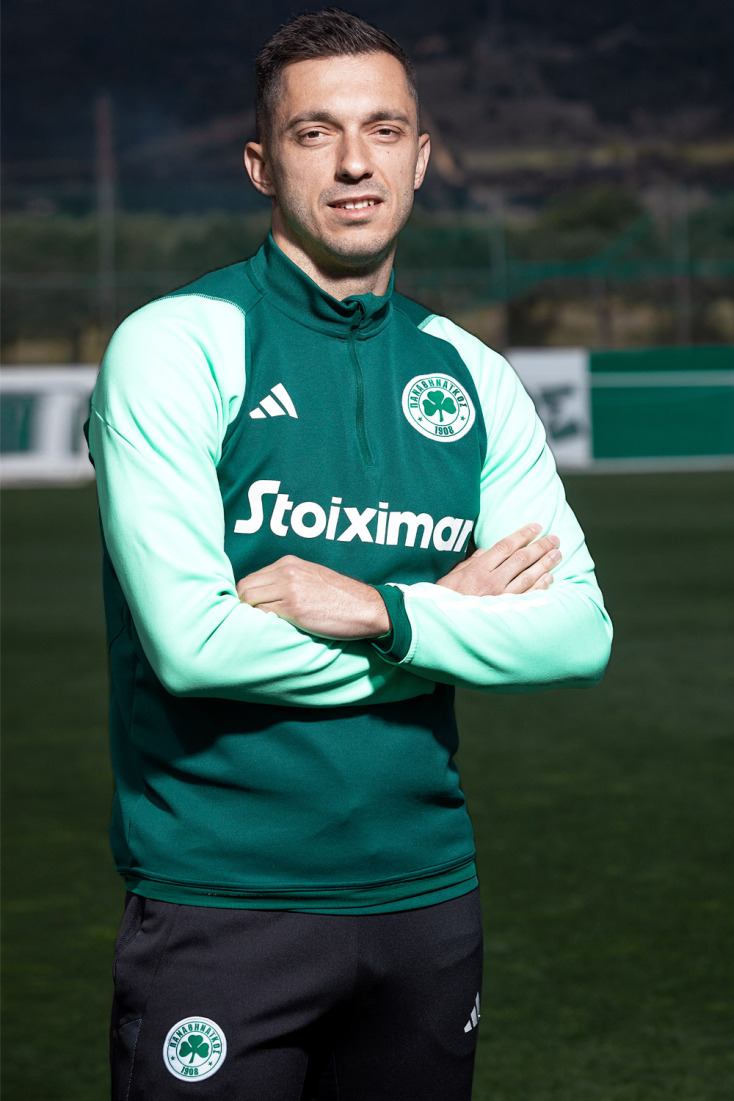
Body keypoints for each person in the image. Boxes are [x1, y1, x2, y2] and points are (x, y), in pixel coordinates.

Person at [87, 8, 612, 1099]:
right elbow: (193, 647)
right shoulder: (175, 346)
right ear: (261, 165)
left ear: (420, 159)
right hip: (223, 903)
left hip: (428, 900)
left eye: (384, 130)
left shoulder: (471, 374)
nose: (355, 163)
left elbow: (576, 633)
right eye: (314, 132)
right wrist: (446, 622)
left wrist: (386, 612)